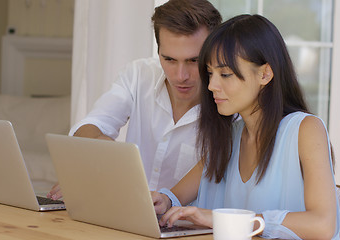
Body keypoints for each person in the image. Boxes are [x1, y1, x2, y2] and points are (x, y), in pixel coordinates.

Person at [152, 14, 340, 239]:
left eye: (225, 74)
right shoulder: (230, 137)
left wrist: (227, 220)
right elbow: (174, 197)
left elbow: (323, 225)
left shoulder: (306, 129)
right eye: (210, 73)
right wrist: (162, 201)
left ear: (265, 73)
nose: (212, 85)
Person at [47, 0, 222, 200]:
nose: (180, 75)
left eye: (194, 60)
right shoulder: (139, 75)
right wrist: (99, 150)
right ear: (158, 52)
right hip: (128, 212)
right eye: (169, 59)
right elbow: (90, 125)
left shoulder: (229, 101)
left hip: (189, 226)